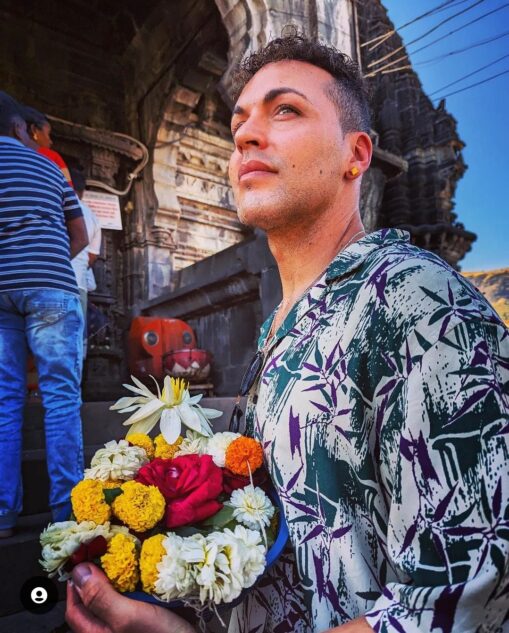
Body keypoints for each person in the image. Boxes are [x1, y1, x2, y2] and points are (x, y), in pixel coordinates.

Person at [65, 35, 509, 632]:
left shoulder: (417, 303)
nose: (246, 135)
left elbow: (452, 609)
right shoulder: (284, 323)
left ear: (357, 154)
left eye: (286, 110)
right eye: (238, 121)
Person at [0, 91, 88, 538]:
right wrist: (48, 259)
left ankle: (2, 515)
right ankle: (66, 514)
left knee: (4, 401)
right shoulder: (48, 166)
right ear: (20, 127)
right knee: (60, 397)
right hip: (51, 287)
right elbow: (80, 232)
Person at [69, 168, 102, 358]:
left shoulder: (55, 205)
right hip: (78, 285)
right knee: (76, 342)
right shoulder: (92, 217)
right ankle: (73, 386)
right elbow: (91, 257)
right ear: (83, 192)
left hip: (47, 282)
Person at [23, 105, 74, 185]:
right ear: (34, 130)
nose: (51, 141)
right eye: (48, 134)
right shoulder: (53, 158)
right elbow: (69, 191)